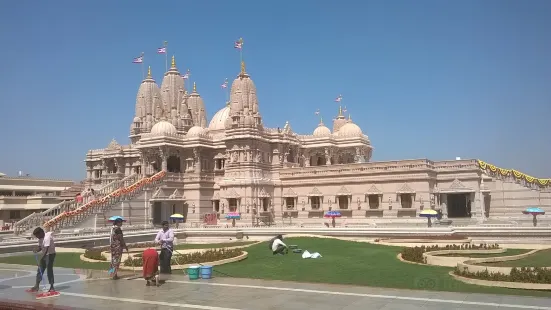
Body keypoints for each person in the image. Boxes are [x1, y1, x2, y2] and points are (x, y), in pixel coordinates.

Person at [30, 227, 56, 292]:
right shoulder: (40, 239)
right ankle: (36, 286)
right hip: (45, 254)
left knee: (49, 270)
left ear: (41, 233)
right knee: (40, 270)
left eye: (37, 235)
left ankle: (52, 286)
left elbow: (46, 250)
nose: (37, 237)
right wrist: (36, 250)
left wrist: (41, 259)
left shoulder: (47, 237)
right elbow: (40, 247)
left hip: (50, 254)